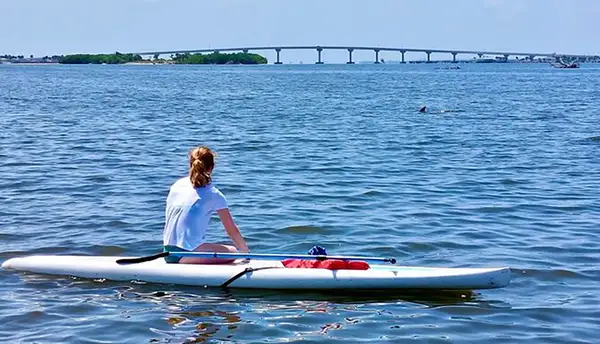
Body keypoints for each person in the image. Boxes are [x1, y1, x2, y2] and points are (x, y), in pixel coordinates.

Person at [162, 146, 249, 264]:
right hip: (188, 254)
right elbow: (231, 230)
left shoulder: (176, 185)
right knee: (233, 251)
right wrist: (245, 253)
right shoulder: (214, 194)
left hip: (167, 252)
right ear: (212, 167)